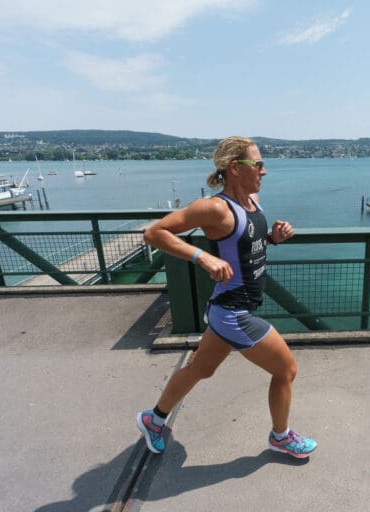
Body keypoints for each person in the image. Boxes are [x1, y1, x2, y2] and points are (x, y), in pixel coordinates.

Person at [136, 136, 317, 459]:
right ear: (235, 168)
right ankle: (281, 435)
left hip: (228, 308)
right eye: (258, 164)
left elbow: (247, 246)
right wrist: (200, 257)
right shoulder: (214, 208)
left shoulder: (253, 200)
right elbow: (154, 233)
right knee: (286, 370)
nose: (264, 171)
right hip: (234, 313)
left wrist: (273, 238)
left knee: (199, 371)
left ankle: (154, 419)